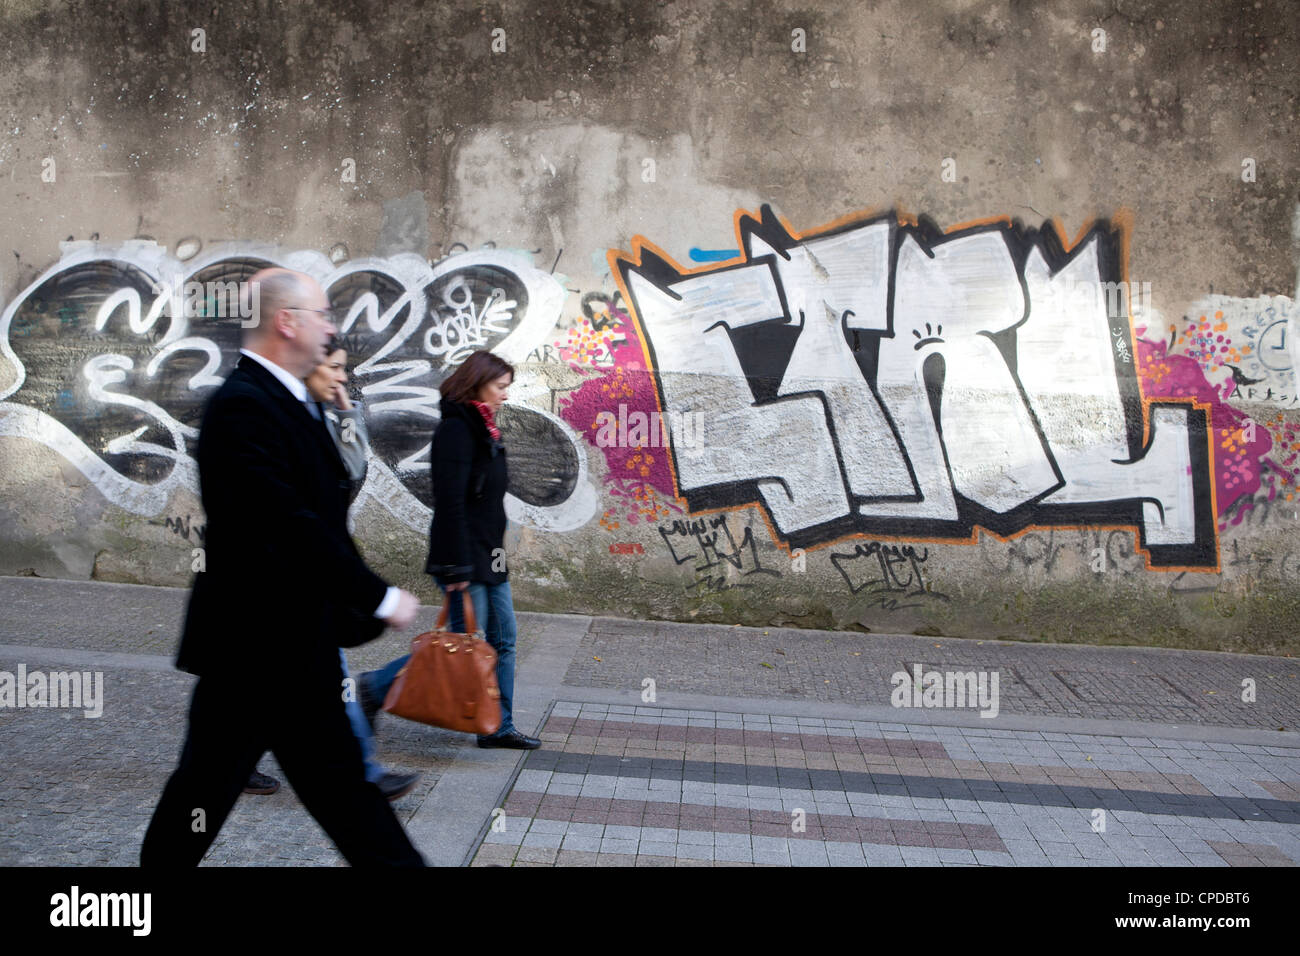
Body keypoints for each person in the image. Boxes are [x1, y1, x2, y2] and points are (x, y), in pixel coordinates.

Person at [140, 268, 425, 866]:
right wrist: (375, 596)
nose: (331, 327)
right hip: (252, 649)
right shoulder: (243, 406)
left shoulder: (290, 401)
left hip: (292, 646)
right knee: (206, 794)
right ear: (286, 321)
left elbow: (320, 513)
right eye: (322, 315)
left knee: (342, 792)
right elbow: (286, 522)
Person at [242, 344, 419, 802]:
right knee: (311, 679)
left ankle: (233, 762)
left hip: (309, 576)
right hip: (289, 576)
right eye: (333, 369)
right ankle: (363, 772)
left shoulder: (322, 415)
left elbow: (353, 469)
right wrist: (375, 595)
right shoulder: (278, 415)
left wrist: (346, 413)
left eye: (344, 370)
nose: (341, 378)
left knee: (259, 686)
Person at [360, 350, 540, 750]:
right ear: (477, 383)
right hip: (463, 557)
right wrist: (456, 566)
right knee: (461, 644)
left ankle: (497, 726)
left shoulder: (486, 429)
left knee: (503, 639)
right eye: (500, 387)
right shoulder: (457, 430)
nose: (505, 396)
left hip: (489, 554)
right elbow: (451, 502)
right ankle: (374, 687)